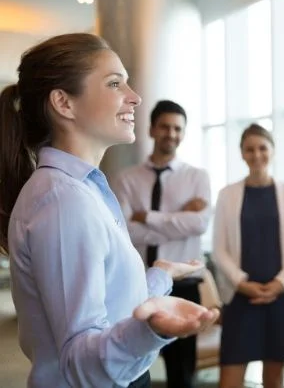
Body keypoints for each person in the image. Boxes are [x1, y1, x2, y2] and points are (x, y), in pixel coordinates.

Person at [0, 33, 218, 388]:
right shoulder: (63, 201)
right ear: (64, 103)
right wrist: (149, 330)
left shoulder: (82, 190)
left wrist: (159, 275)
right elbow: (80, 363)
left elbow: (111, 306)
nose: (134, 97)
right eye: (115, 83)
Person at [113, 100, 212, 388]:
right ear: (152, 129)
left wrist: (149, 217)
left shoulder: (197, 177)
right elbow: (124, 234)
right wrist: (178, 219)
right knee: (130, 367)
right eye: (165, 127)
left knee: (182, 374)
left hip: (183, 285)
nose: (171, 134)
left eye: (178, 129)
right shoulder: (126, 180)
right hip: (136, 284)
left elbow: (200, 224)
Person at [213, 123, 284, 388]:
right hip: (241, 297)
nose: (257, 154)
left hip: (282, 297)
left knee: (274, 381)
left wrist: (280, 283)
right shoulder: (227, 194)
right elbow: (219, 248)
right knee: (229, 379)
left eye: (262, 148)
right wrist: (242, 284)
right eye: (249, 149)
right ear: (242, 153)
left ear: (273, 150)